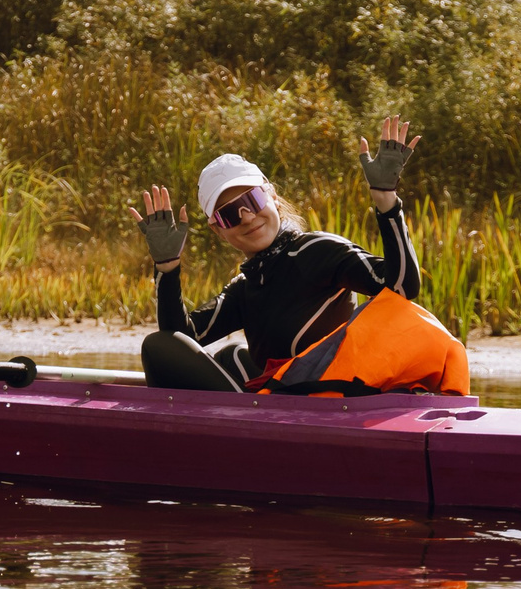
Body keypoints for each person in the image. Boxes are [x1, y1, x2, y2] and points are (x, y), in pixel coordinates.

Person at [128, 117, 466, 395]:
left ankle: (227, 437)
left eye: (252, 201)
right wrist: (167, 268)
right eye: (230, 214)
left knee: (180, 351)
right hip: (277, 408)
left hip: (325, 406)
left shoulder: (318, 250)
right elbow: (179, 339)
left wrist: (387, 202)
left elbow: (402, 286)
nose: (246, 217)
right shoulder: (245, 287)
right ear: (219, 230)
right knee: (227, 356)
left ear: (272, 197)